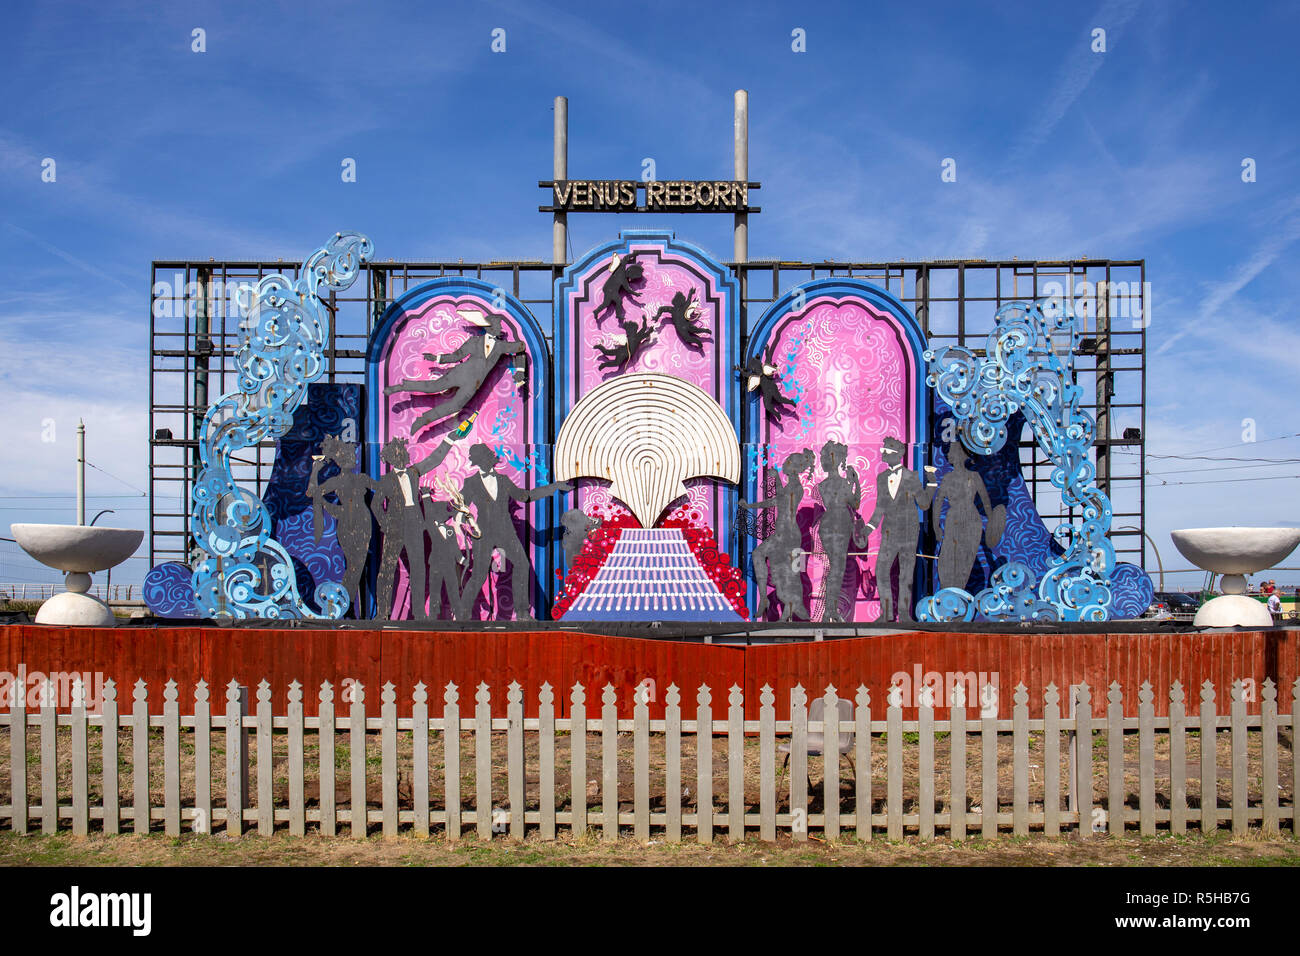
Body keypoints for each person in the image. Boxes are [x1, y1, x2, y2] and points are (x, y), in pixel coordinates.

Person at [454, 443, 571, 621]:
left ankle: (523, 613)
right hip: (483, 534)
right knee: (479, 573)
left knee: (522, 565)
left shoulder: (503, 480)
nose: (484, 462)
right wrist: (458, 517)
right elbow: (460, 505)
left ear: (490, 459)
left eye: (485, 458)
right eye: (479, 460)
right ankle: (462, 614)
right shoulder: (471, 482)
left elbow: (525, 496)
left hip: (505, 531)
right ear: (477, 462)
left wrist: (553, 487)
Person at [385, 309, 525, 435]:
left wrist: (520, 370)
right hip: (459, 374)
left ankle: (422, 420)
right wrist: (437, 358)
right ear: (490, 328)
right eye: (498, 325)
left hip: (473, 385)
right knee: (433, 386)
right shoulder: (474, 341)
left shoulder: (501, 346)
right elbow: (456, 356)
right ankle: (401, 387)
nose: (501, 328)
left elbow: (521, 348)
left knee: (455, 406)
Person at [864, 436, 938, 623]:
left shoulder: (911, 477)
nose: (884, 455)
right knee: (881, 570)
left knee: (906, 573)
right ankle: (887, 613)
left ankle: (904, 614)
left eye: (887, 452)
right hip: (889, 533)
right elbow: (879, 507)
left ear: (898, 454)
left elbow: (923, 504)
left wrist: (931, 483)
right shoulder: (882, 478)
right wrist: (868, 528)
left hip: (908, 532)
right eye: (884, 452)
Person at [741, 448, 815, 621]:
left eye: (788, 462)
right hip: (782, 533)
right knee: (765, 560)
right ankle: (765, 599)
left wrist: (775, 480)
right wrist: (750, 507)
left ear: (795, 469)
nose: (784, 464)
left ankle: (787, 607)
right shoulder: (790, 486)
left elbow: (781, 498)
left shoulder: (796, 488)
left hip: (788, 535)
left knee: (788, 573)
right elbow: (773, 501)